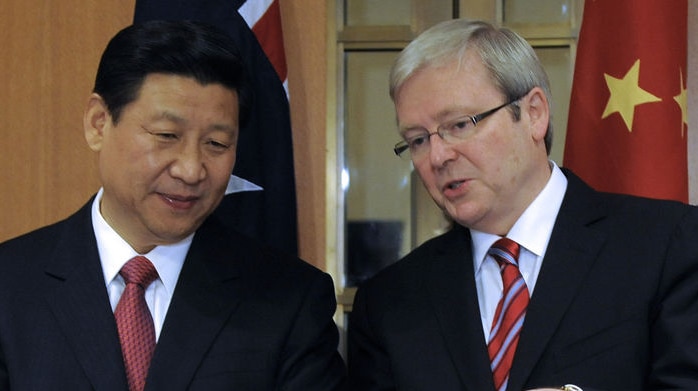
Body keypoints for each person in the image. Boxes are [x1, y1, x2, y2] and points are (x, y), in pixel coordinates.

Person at [347, 18, 698, 391]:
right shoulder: (388, 303)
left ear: (534, 113)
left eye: (460, 125)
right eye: (417, 140)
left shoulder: (666, 247)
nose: (437, 156)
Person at [0, 20, 346, 390]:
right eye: (167, 136)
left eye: (216, 143)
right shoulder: (10, 285)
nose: (191, 170)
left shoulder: (290, 301)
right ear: (99, 123)